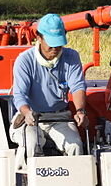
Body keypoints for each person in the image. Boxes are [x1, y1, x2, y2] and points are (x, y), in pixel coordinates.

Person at [10, 13, 87, 162]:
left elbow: (77, 86)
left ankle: (74, 184)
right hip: (31, 117)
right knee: (30, 145)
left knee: (75, 146)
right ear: (38, 37)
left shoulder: (71, 57)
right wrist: (26, 112)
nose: (55, 48)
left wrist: (80, 111)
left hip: (60, 117)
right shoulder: (25, 60)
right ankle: (27, 182)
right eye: (51, 43)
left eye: (59, 43)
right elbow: (19, 94)